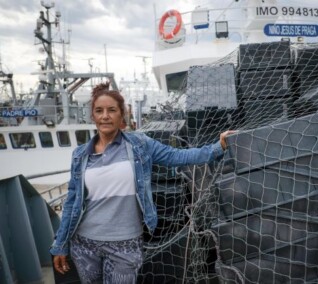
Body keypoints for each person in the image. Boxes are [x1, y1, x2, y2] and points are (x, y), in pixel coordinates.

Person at [50, 81, 234, 283]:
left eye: (112, 110)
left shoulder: (140, 144)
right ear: (93, 116)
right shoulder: (80, 154)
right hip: (85, 243)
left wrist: (217, 147)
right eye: (99, 111)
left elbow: (177, 157)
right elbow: (72, 201)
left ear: (122, 115)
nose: (105, 116)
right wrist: (60, 243)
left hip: (125, 243)